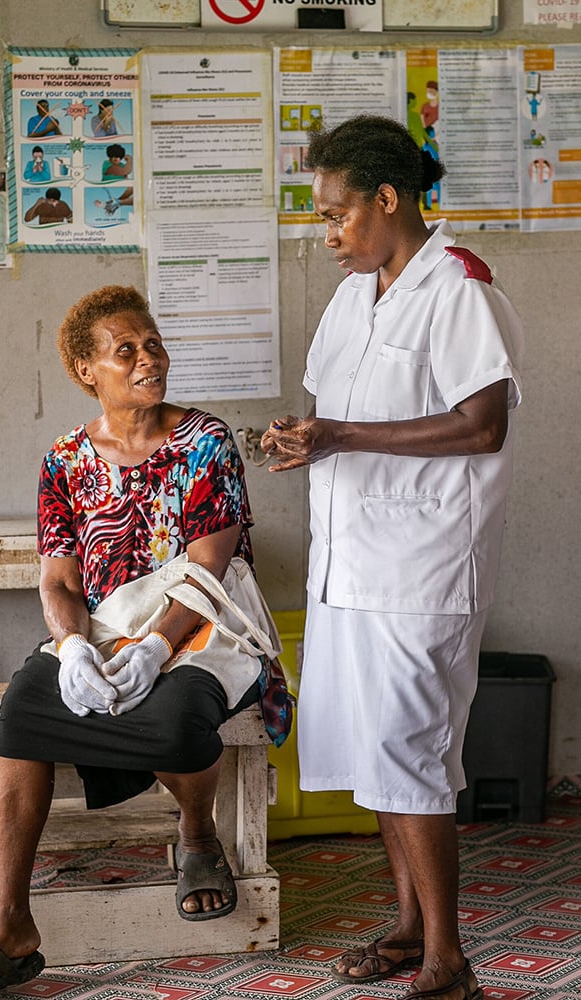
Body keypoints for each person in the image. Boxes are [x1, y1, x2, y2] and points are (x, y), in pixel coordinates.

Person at [0, 285, 267, 997]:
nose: (149, 359)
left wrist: (155, 648)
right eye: (127, 351)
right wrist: (75, 644)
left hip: (203, 620)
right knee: (26, 705)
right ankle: (9, 923)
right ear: (88, 370)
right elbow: (58, 579)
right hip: (110, 621)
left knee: (177, 720)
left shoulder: (204, 440)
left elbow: (210, 566)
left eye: (152, 344)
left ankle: (198, 832)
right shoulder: (64, 460)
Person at [262, 115, 521, 1000]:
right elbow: (331, 409)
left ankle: (450, 958)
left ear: (387, 199)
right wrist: (300, 436)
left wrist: (339, 433)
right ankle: (410, 928)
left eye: (337, 214)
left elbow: (482, 424)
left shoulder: (460, 289)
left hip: (421, 565)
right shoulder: (354, 294)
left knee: (410, 750)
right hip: (349, 561)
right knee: (377, 750)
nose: (325, 233)